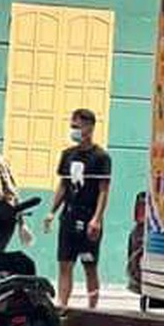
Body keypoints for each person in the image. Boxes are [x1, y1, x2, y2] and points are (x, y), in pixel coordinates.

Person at [43, 109, 111, 309]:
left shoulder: (101, 157)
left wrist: (96, 219)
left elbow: (104, 190)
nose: (73, 130)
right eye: (72, 126)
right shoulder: (67, 155)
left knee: (89, 264)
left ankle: (92, 308)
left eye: (77, 126)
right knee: (65, 263)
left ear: (89, 127)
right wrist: (52, 212)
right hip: (69, 217)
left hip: (88, 217)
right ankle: (62, 306)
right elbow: (63, 185)